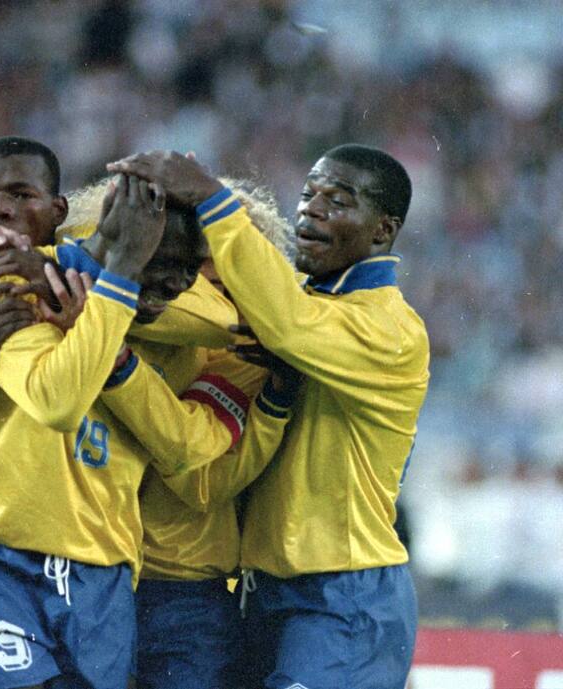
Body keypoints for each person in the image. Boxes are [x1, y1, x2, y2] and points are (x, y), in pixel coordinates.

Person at [0, 138, 235, 688]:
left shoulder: (131, 304)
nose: (0, 210)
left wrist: (84, 265)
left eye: (21, 194)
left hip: (103, 567)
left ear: (59, 212)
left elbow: (220, 316)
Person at [107, 145, 430, 689]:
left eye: (338, 201)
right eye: (308, 194)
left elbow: (287, 325)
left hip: (344, 594)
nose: (312, 209)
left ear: (383, 230)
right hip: (265, 594)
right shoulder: (295, 314)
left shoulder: (389, 329)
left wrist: (211, 197)